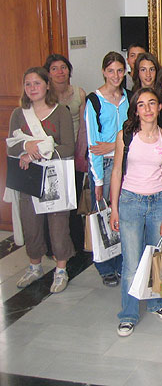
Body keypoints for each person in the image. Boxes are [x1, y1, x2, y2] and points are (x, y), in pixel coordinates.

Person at [109, 88, 162, 337]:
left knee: (157, 256)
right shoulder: (126, 137)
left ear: (160, 107)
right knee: (131, 261)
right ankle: (128, 313)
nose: (147, 109)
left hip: (158, 200)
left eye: (152, 103)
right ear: (135, 110)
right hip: (130, 201)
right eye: (141, 105)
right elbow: (117, 172)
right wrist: (114, 208)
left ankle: (156, 302)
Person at [8, 67, 75, 293]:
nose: (33, 88)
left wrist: (39, 151)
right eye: (28, 84)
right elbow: (11, 144)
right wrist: (25, 148)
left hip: (55, 176)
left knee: (58, 225)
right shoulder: (19, 114)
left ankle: (61, 270)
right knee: (31, 224)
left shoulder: (61, 112)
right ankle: (34, 266)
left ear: (47, 85)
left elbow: (68, 147)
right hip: (29, 177)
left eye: (37, 83)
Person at [86, 52, 129, 286]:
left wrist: (114, 145)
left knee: (121, 215)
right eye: (111, 71)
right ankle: (105, 267)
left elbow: (133, 133)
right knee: (103, 216)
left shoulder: (128, 98)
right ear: (104, 72)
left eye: (120, 70)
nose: (116, 75)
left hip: (125, 163)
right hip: (103, 166)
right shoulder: (94, 100)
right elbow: (93, 143)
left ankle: (122, 262)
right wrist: (98, 181)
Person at [44, 54, 87, 252]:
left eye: (63, 67)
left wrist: (82, 153)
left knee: (73, 199)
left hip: (74, 154)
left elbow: (84, 126)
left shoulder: (79, 93)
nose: (60, 72)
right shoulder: (43, 95)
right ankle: (52, 244)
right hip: (50, 156)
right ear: (48, 73)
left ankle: (75, 243)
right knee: (51, 202)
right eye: (55, 68)